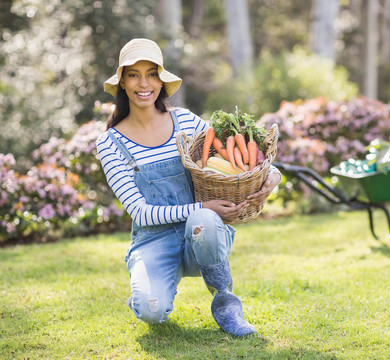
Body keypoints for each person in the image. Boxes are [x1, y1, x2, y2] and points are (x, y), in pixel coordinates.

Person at [95, 38, 281, 337]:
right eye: (133, 74)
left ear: (161, 80)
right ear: (122, 83)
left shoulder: (184, 121)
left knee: (203, 221)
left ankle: (226, 305)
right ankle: (146, 290)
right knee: (152, 310)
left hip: (200, 236)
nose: (144, 83)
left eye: (152, 73)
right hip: (153, 241)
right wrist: (203, 206)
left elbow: (229, 157)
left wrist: (272, 175)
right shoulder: (111, 142)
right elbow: (140, 213)